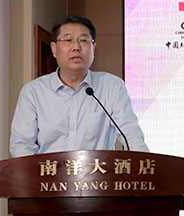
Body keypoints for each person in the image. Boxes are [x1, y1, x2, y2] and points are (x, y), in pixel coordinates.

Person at [9, 15, 149, 157]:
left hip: (98, 171)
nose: (76, 47)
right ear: (54, 49)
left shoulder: (112, 87)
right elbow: (22, 145)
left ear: (93, 48)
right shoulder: (34, 92)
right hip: (49, 171)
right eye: (68, 40)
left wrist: (145, 163)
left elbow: (131, 135)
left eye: (83, 40)